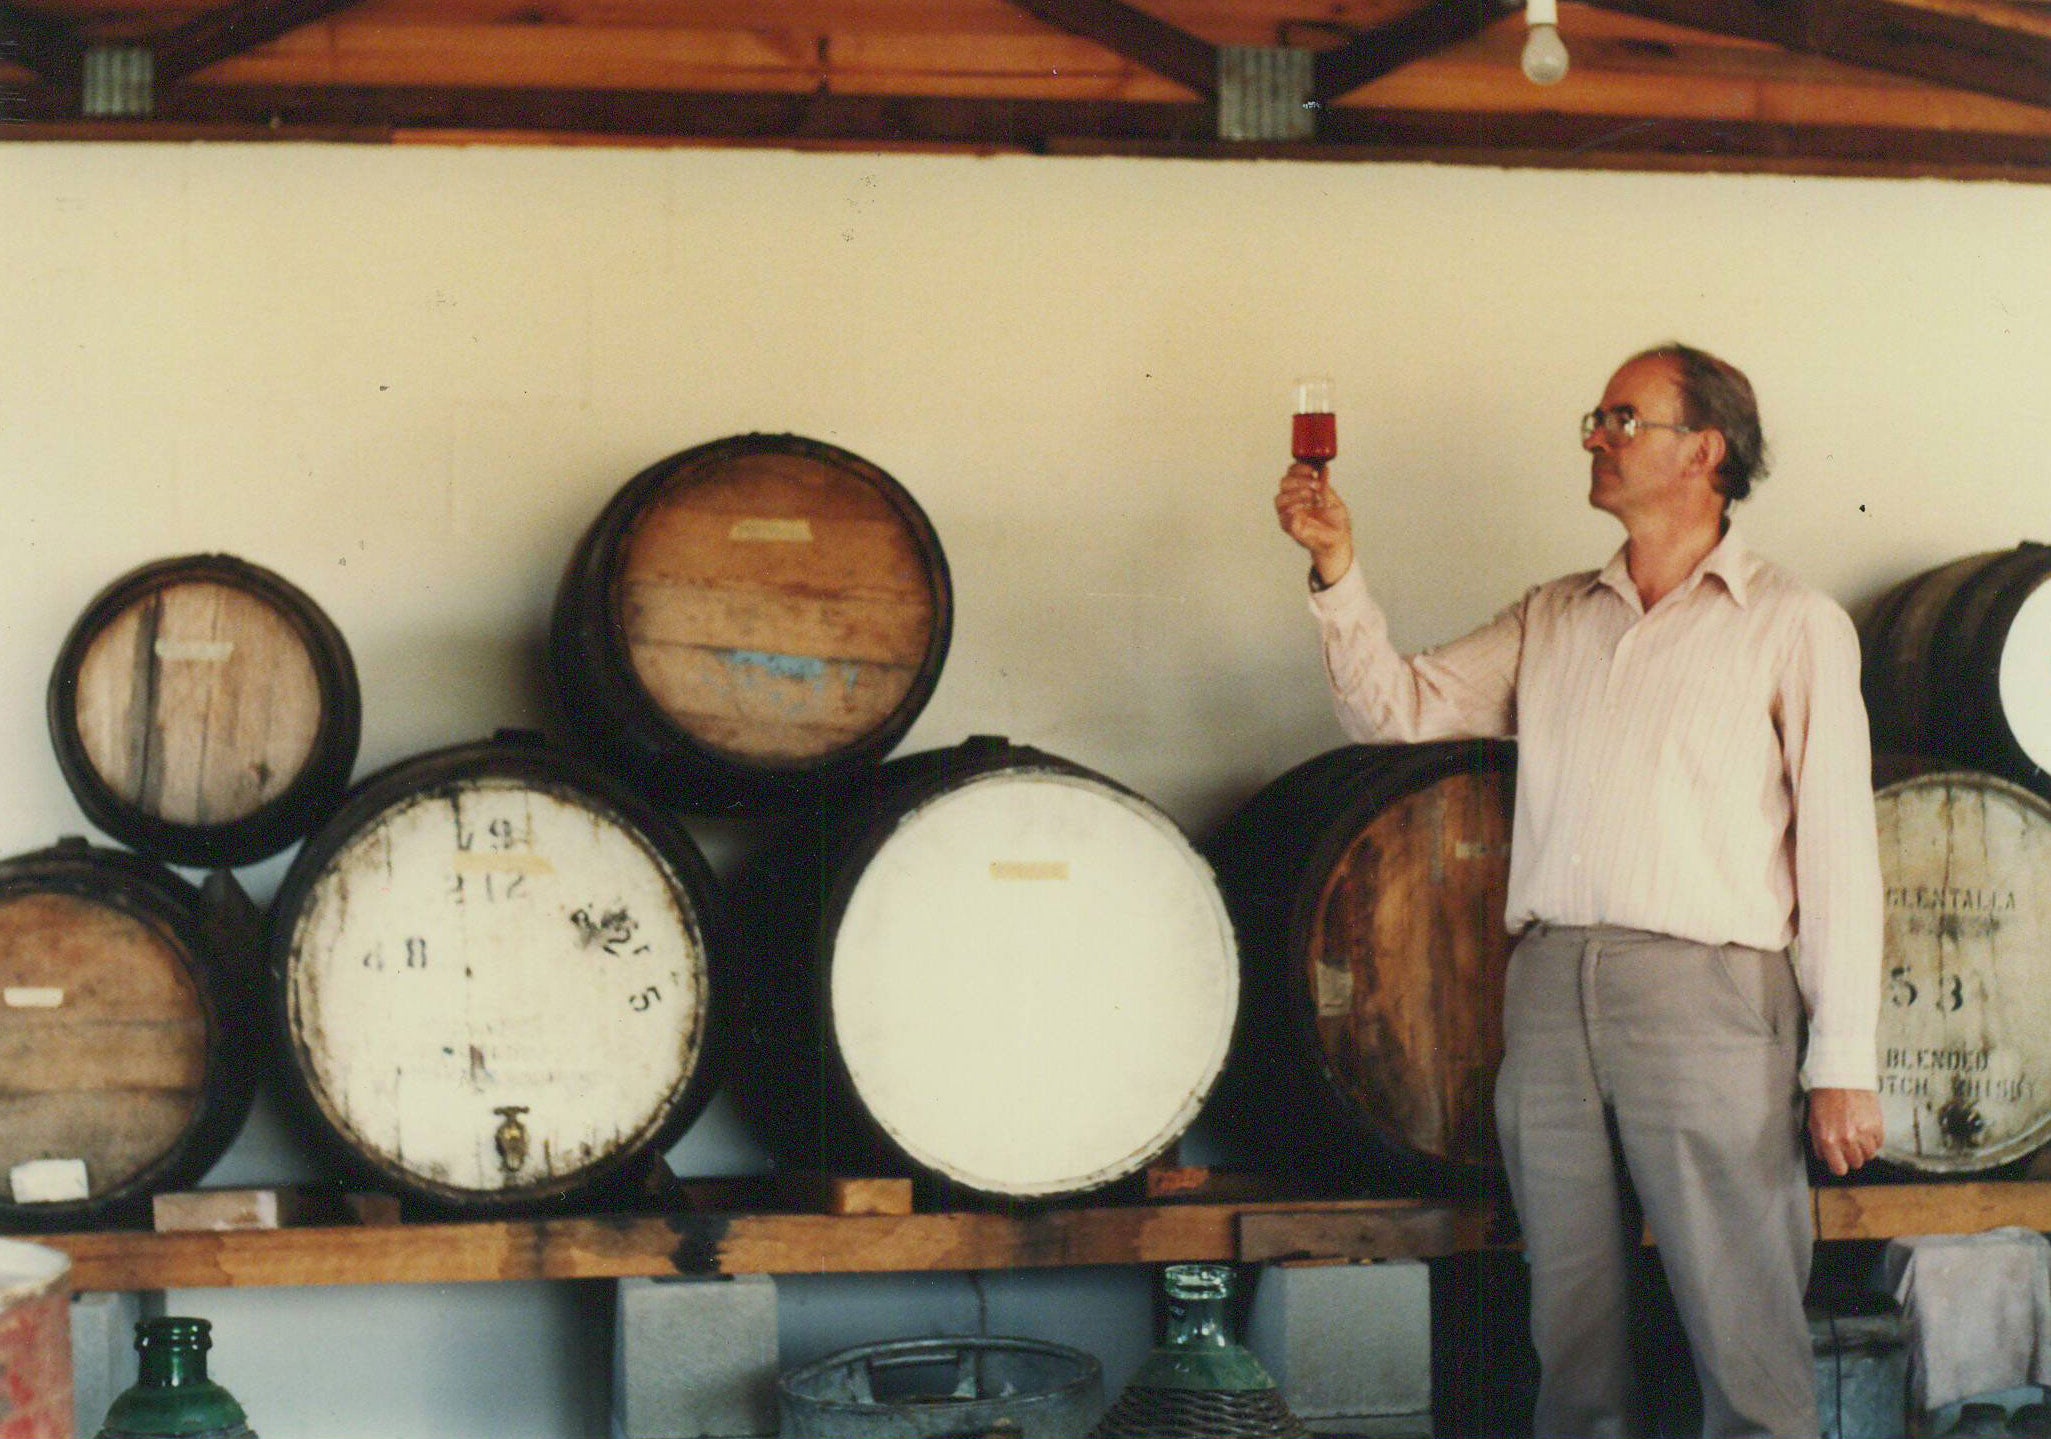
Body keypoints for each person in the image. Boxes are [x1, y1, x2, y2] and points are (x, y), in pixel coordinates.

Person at [1273, 343, 1885, 1439]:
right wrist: (1336, 570)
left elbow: (1839, 852)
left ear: (1704, 450)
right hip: (1550, 989)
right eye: (1593, 418)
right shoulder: (1552, 613)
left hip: (1709, 996)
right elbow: (1394, 711)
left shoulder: (1790, 623)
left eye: (1621, 417)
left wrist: (1840, 1064)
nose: (1595, 437)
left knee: (1742, 1329)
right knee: (1570, 1333)